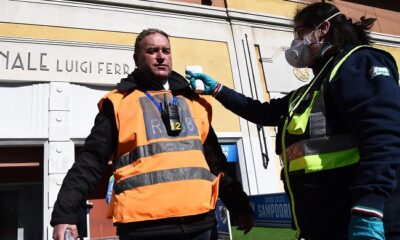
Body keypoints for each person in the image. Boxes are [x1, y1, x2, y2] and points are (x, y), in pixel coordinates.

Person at [186, 2, 400, 240]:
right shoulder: (310, 90)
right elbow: (262, 112)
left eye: (299, 33)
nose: (295, 42)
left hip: (358, 222)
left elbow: (384, 137)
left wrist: (369, 208)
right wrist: (216, 89)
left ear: (323, 28)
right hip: (322, 226)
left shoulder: (356, 64)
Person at [51, 28, 253, 240]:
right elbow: (91, 161)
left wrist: (239, 205)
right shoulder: (118, 103)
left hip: (201, 224)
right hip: (144, 228)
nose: (160, 56)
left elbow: (216, 161)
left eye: (166, 50)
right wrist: (65, 213)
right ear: (137, 59)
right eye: (152, 51)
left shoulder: (194, 102)